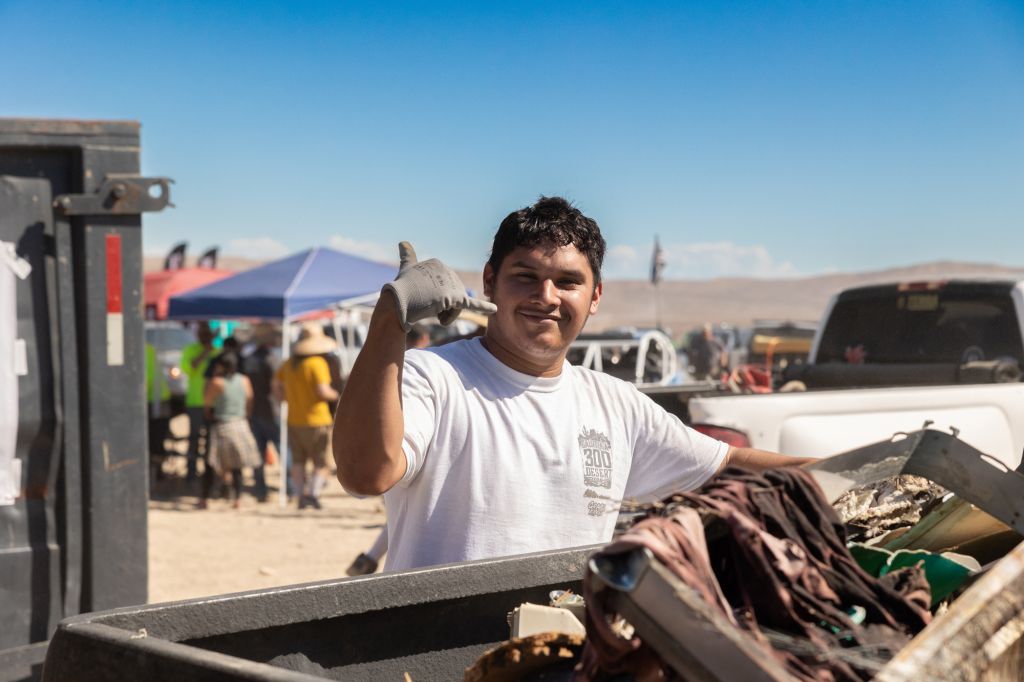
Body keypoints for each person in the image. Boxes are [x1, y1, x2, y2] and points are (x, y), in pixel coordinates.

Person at [333, 196, 813, 572]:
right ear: (490, 281)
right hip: (438, 657)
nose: (546, 297)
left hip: (566, 655)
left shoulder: (615, 404)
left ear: (595, 296)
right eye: (526, 276)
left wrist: (873, 466)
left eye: (567, 282)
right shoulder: (432, 377)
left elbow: (727, 464)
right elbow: (365, 474)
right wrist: (388, 322)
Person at [345, 322, 432, 576]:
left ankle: (369, 559)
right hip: (409, 451)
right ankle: (371, 560)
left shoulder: (389, 366)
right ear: (424, 338)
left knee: (400, 512)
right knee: (406, 513)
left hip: (395, 448)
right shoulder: (429, 366)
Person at [274, 323, 340, 510]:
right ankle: (312, 493)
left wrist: (284, 399)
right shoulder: (317, 364)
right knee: (322, 462)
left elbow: (276, 385)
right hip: (317, 419)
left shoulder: (288, 364)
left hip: (295, 419)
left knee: (298, 461)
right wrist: (338, 396)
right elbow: (322, 391)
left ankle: (299, 494)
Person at [200, 352, 262, 509]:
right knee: (237, 466)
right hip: (240, 425)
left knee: (211, 464)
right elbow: (250, 402)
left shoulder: (217, 382)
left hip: (221, 426)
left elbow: (207, 404)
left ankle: (205, 498)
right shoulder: (244, 380)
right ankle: (238, 498)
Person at [180, 323, 216, 481]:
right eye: (202, 333)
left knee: (211, 442)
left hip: (212, 403)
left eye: (207, 333)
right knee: (194, 440)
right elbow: (190, 367)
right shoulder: (190, 350)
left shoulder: (217, 352)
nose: (204, 335)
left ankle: (209, 475)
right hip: (195, 402)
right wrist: (205, 352)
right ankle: (191, 473)